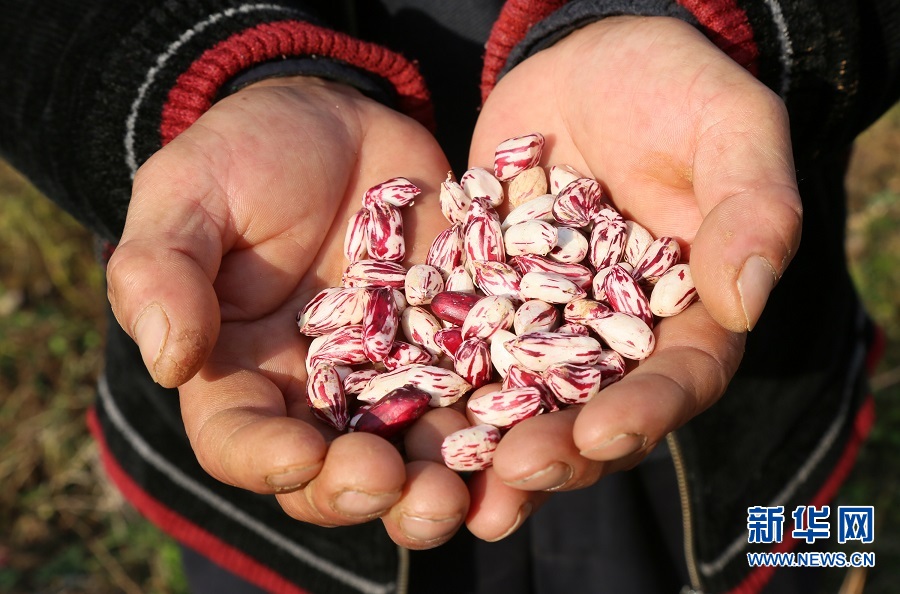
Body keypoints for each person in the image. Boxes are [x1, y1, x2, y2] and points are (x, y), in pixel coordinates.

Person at [0, 1, 895, 592]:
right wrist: (186, 68)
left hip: (757, 437)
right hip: (295, 496)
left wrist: (736, 21)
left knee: (795, 554)